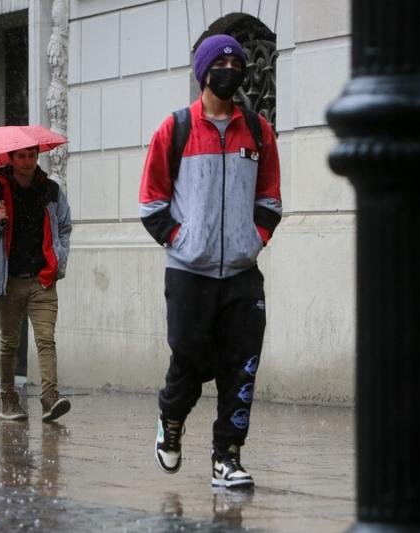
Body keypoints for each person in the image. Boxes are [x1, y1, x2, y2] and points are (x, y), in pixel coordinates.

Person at [139, 34, 282, 488]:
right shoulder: (175, 129)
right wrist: (186, 242)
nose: (230, 68)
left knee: (240, 365)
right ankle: (172, 417)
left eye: (236, 62)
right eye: (219, 62)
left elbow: (270, 200)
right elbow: (151, 204)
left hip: (242, 274)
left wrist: (251, 240)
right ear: (204, 72)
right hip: (189, 273)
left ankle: (228, 456)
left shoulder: (258, 131)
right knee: (190, 358)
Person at [0, 146, 73, 422]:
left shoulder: (50, 190)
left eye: (32, 155)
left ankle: (50, 396)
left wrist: (59, 258)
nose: (28, 161)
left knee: (46, 339)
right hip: (9, 279)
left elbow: (65, 225)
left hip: (42, 277)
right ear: (10, 158)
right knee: (9, 341)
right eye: (21, 156)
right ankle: (8, 397)